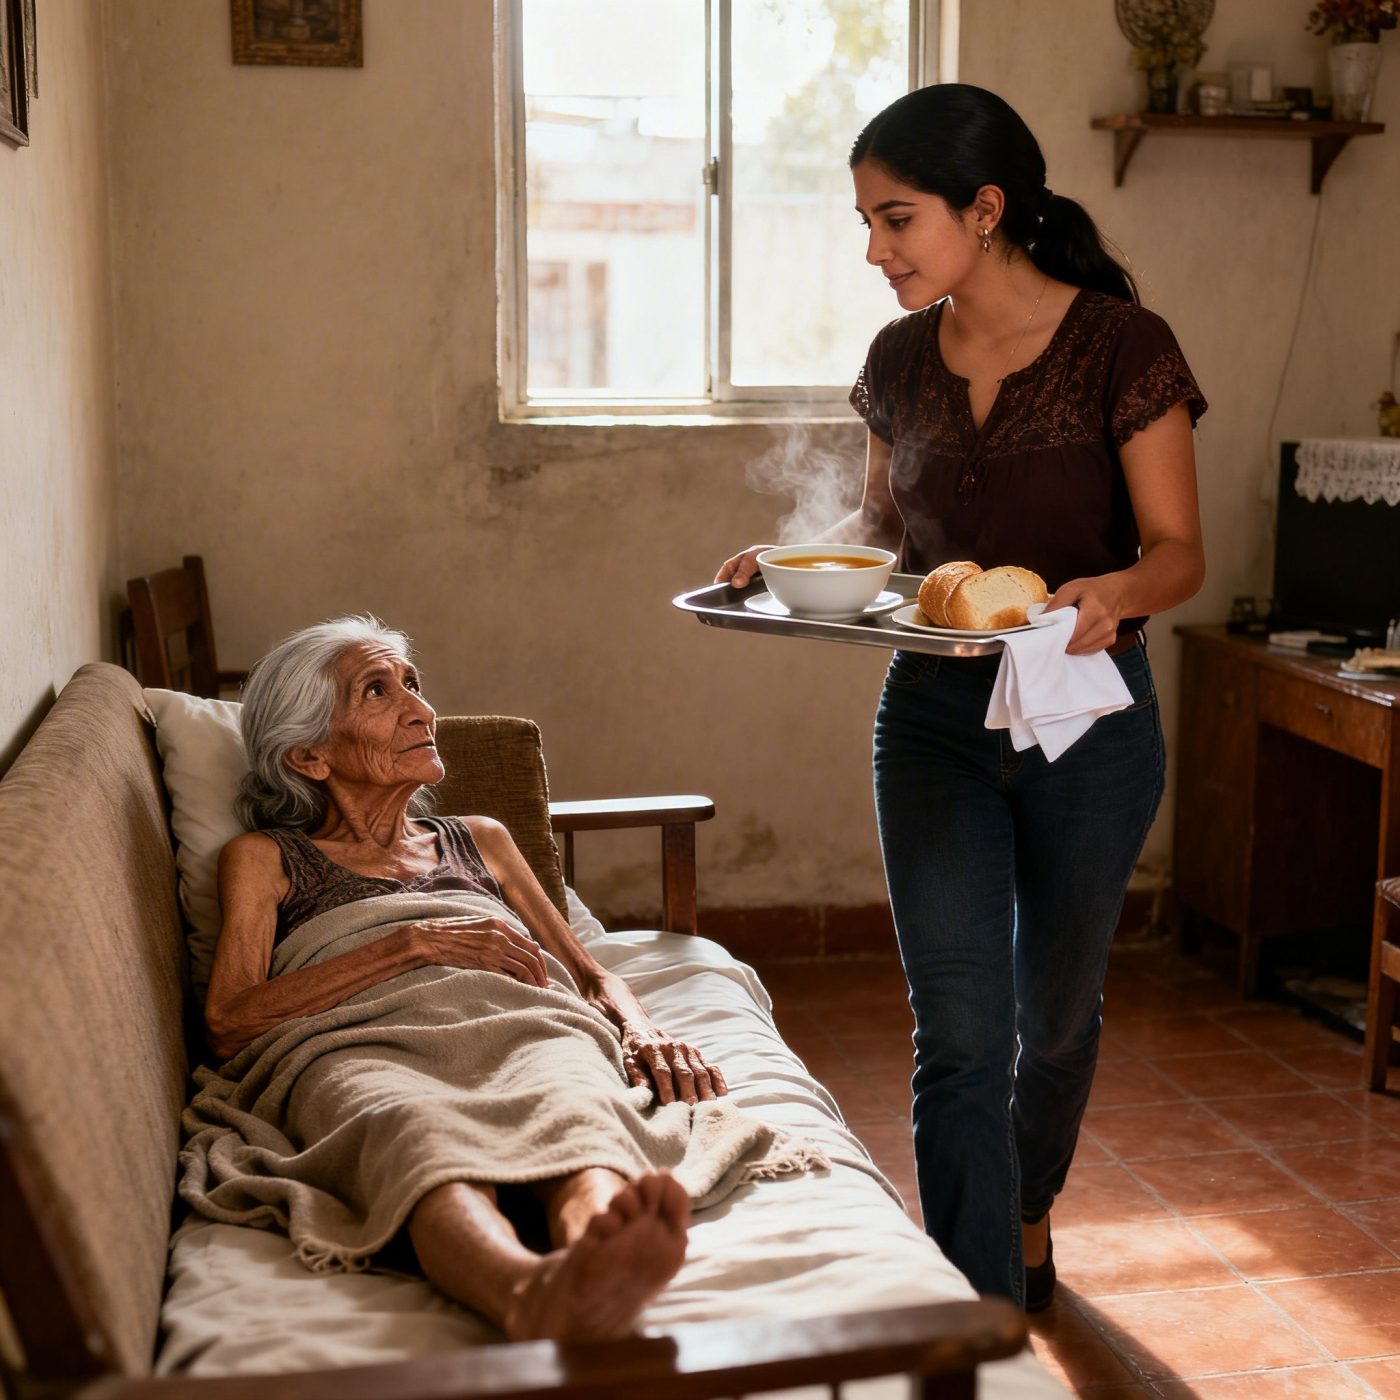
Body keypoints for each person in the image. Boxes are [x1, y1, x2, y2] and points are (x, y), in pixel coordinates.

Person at [716, 84, 1206, 1311]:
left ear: (983, 210)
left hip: (1086, 720)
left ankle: (1024, 1204)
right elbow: (879, 527)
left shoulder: (1121, 344)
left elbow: (1177, 553)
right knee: (959, 1035)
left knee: (1054, 1021)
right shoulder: (897, 359)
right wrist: (784, 561)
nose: (873, 251)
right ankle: (973, 1313)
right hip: (932, 723)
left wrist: (1114, 589)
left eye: (895, 220)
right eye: (864, 223)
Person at [196, 616, 739, 1343]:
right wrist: (409, 944)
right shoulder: (264, 857)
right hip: (361, 1043)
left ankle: (598, 1254)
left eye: (413, 684)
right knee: (413, 1128)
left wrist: (642, 1030)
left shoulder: (481, 838)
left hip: (520, 1023)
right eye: (377, 692)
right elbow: (230, 1019)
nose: (421, 710)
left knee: (571, 1100)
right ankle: (521, 1291)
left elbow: (586, 975)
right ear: (309, 755)